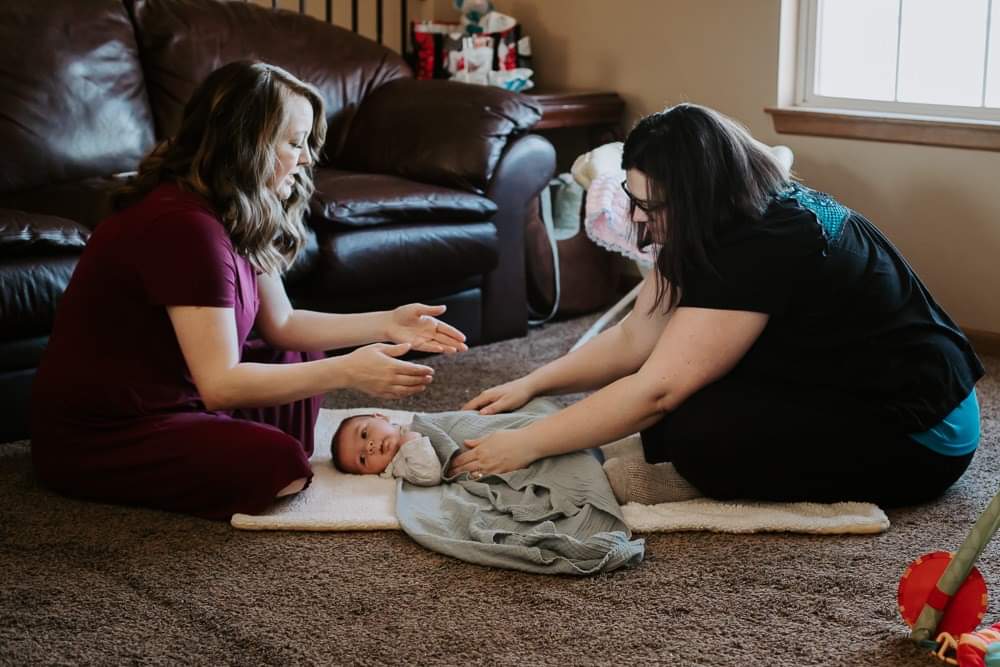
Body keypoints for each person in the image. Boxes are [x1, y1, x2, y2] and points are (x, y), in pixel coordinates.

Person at [450, 102, 984, 508]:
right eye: (634, 201)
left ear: (696, 196)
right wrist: (533, 383)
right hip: (847, 379)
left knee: (694, 432)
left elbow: (657, 391)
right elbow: (637, 335)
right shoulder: (720, 214)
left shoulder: (766, 240)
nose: (639, 220)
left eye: (650, 206)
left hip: (923, 431)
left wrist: (526, 445)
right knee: (681, 390)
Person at [30, 61, 467, 520]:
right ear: (249, 143)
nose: (304, 159)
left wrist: (387, 322)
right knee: (282, 466)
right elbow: (220, 385)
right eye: (295, 143)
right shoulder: (184, 227)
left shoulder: (231, 208)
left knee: (300, 356)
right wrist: (349, 372)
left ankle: (216, 441)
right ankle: (217, 445)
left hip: (181, 393)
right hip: (105, 433)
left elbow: (283, 325)